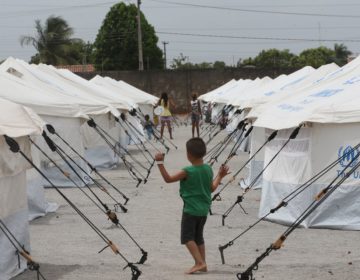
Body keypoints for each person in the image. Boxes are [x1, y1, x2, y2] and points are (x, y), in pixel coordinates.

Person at [155, 138, 229, 274]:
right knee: (198, 237)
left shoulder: (187, 171)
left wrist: (159, 162)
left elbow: (168, 179)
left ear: (188, 154)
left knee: (187, 238)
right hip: (203, 211)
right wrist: (220, 176)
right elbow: (212, 188)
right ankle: (202, 263)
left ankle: (199, 262)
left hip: (190, 210)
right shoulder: (208, 169)